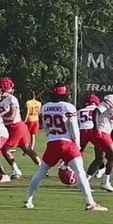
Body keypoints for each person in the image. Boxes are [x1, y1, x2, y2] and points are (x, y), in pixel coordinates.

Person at [23, 84, 105, 212]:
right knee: (80, 173)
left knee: (40, 172)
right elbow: (73, 127)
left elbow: (45, 127)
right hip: (67, 143)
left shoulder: (45, 107)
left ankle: (28, 199)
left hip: (52, 142)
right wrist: (77, 144)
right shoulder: (68, 107)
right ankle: (90, 203)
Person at [0, 77, 40, 180]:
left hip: (16, 126)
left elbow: (12, 116)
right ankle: (42, 169)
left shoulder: (11, 99)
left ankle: (16, 170)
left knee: (5, 149)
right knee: (27, 148)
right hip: (11, 127)